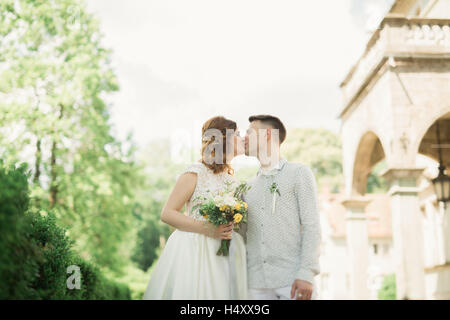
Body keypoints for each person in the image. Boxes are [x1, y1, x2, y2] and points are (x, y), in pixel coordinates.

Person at [142, 115, 248, 299]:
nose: (243, 138)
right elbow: (167, 213)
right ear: (224, 139)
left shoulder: (233, 179)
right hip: (194, 251)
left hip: (225, 253)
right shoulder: (195, 172)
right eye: (238, 134)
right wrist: (209, 229)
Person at [242, 114, 321, 300]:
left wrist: (306, 273)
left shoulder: (299, 173)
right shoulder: (246, 186)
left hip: (293, 282)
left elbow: (312, 226)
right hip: (255, 286)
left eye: (249, 133)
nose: (244, 138)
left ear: (267, 134)